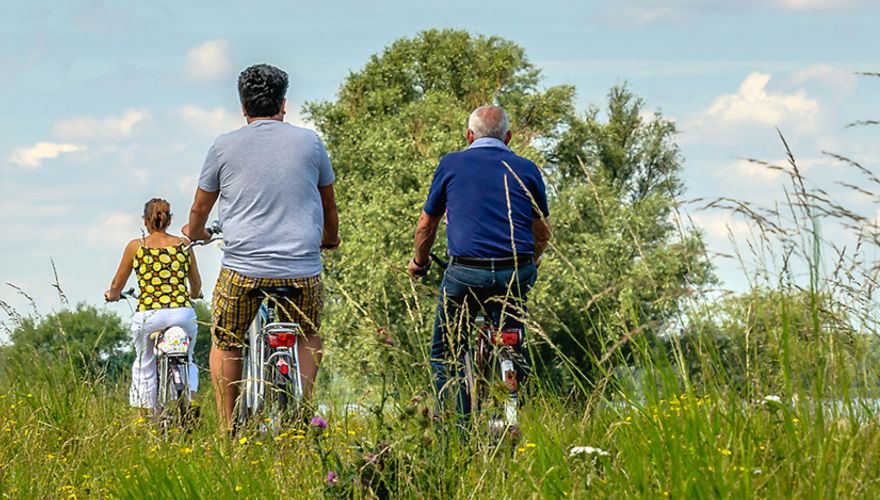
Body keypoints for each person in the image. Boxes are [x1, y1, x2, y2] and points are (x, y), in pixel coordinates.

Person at [184, 63, 339, 434]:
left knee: (226, 340)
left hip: (243, 270)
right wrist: (329, 239)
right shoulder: (310, 142)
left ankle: (227, 429)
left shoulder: (223, 145)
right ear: (283, 104)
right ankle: (302, 411)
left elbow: (199, 209)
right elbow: (329, 203)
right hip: (302, 268)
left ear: (243, 107)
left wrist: (197, 232)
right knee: (308, 333)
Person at [407, 105, 551, 415]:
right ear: (508, 137)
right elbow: (542, 233)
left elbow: (426, 226)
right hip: (516, 272)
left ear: (469, 136)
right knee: (512, 337)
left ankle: (457, 433)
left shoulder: (452, 164)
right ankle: (514, 399)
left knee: (447, 352)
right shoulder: (526, 169)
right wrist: (532, 262)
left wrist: (420, 261)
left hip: (466, 275)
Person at [105, 198, 203, 411]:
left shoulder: (136, 247)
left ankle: (147, 417)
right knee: (189, 358)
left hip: (149, 316)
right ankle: (192, 397)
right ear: (170, 220)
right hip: (182, 314)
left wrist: (112, 295)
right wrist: (194, 294)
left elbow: (116, 284)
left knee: (144, 363)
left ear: (146, 220)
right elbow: (196, 284)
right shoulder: (183, 244)